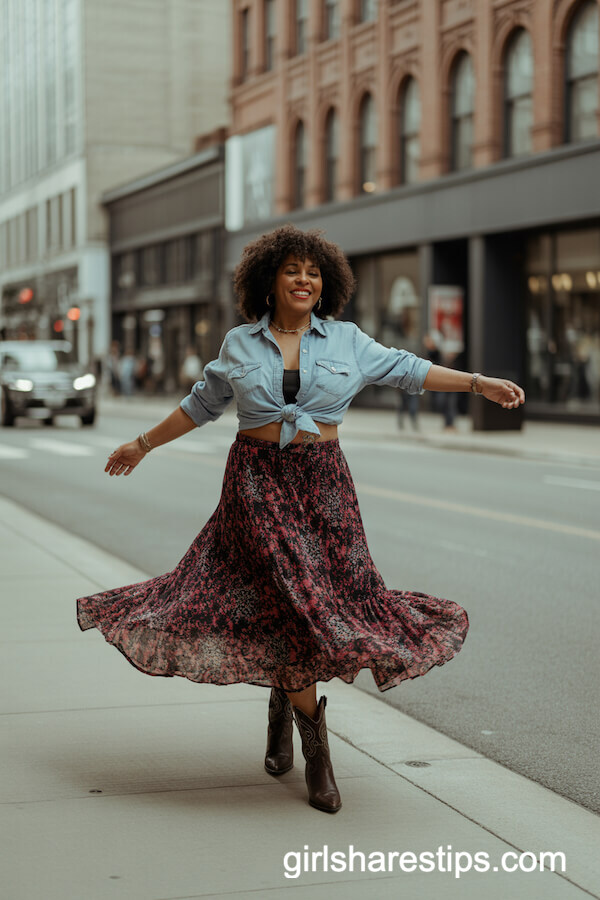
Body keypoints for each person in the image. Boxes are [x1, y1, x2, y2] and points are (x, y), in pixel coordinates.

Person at [75, 225, 525, 815]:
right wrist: (141, 444)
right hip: (256, 485)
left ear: (326, 283)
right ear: (269, 281)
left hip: (324, 487)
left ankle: (281, 706)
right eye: (292, 270)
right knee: (292, 602)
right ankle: (320, 755)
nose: (304, 279)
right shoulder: (240, 343)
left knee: (319, 606)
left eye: (313, 272)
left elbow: (407, 369)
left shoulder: (347, 340)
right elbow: (200, 406)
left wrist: (476, 383)